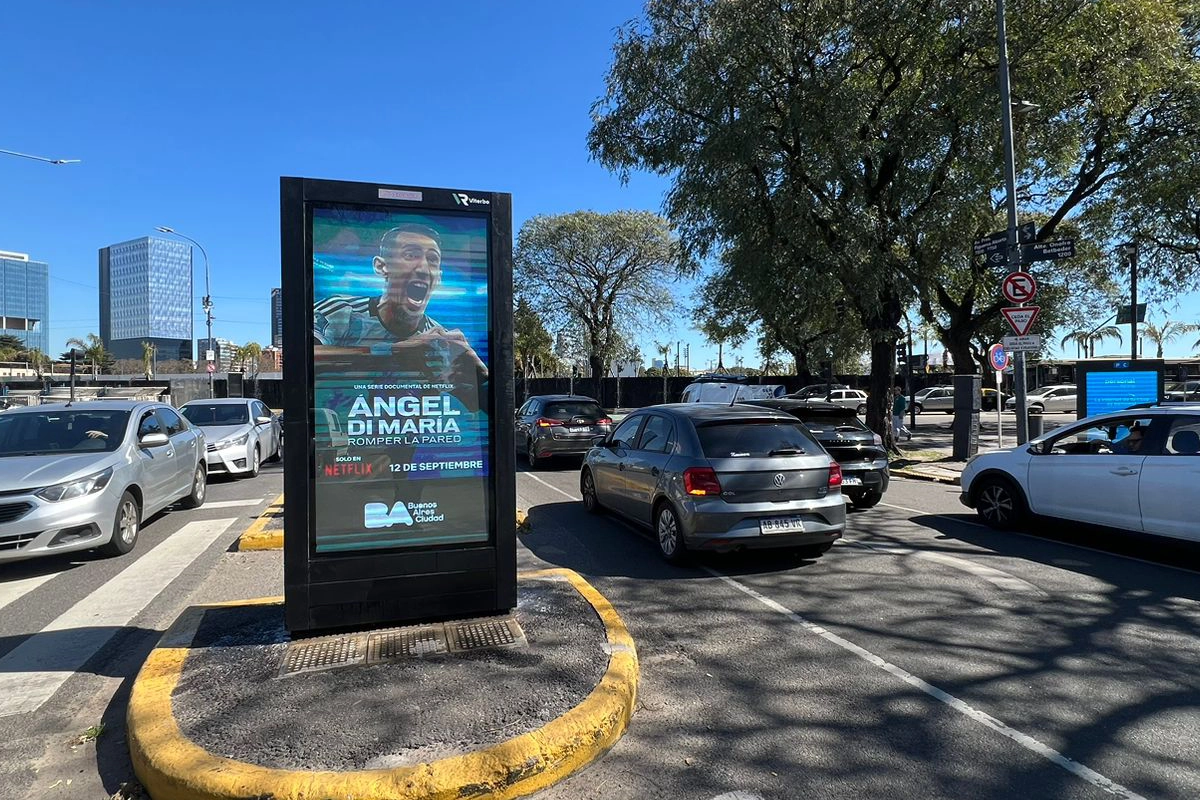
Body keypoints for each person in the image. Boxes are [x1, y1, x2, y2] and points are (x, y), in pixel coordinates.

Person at [313, 223, 486, 384]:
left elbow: (471, 397)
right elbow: (303, 357)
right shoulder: (341, 310)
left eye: (432, 260)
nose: (423, 269)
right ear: (381, 267)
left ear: (439, 277)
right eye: (410, 255)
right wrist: (392, 352)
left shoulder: (440, 342)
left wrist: (481, 377)